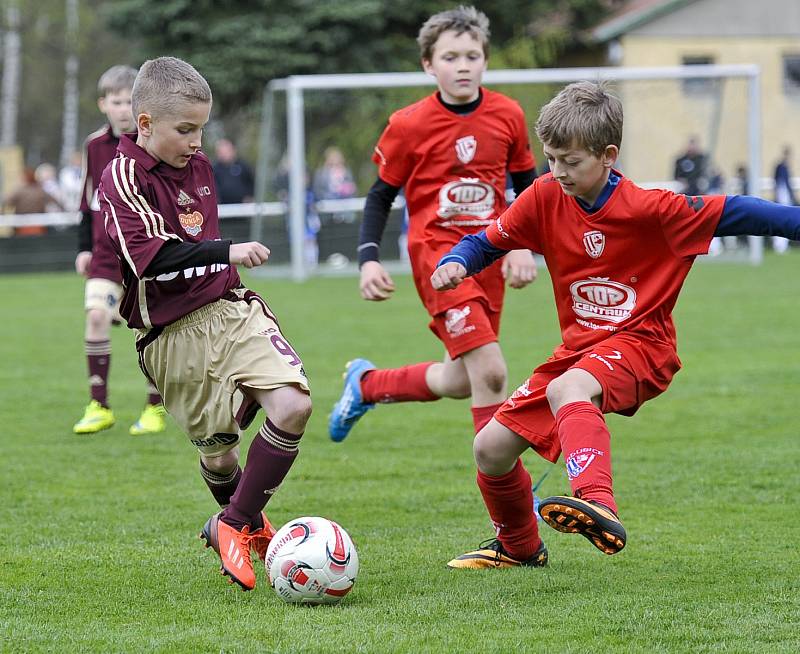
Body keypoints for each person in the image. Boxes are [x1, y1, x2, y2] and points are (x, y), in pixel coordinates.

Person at [431, 80, 800, 568]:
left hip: (643, 345)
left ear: (608, 155)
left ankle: (597, 502)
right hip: (579, 353)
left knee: (568, 391)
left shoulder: (653, 209)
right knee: (490, 449)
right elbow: (487, 241)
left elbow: (744, 212)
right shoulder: (543, 196)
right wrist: (458, 260)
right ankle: (519, 549)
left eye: (571, 161)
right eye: (551, 159)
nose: (557, 171)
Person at [99, 57, 311, 591]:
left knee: (293, 405)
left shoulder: (199, 166)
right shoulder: (121, 175)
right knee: (219, 456)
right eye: (185, 130)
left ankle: (233, 524)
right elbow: (150, 256)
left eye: (202, 129)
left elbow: (201, 248)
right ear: (144, 124)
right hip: (169, 337)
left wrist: (224, 263)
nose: (197, 142)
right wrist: (227, 249)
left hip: (229, 309)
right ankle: (248, 524)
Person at [328, 6, 538, 445]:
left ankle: (367, 385)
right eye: (450, 57)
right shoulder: (408, 125)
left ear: (485, 59)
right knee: (492, 372)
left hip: (490, 254)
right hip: (437, 257)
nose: (463, 65)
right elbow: (380, 196)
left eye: (472, 55)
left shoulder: (508, 115)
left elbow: (528, 189)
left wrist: (522, 245)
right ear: (428, 64)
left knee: (462, 379)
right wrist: (368, 260)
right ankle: (506, 498)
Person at [72, 65, 168, 436]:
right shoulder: (94, 146)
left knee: (149, 328)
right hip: (104, 252)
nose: (124, 108)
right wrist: (83, 248)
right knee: (96, 317)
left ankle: (154, 408)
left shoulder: (150, 143)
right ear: (103, 104)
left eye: (130, 101)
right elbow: (88, 198)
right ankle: (99, 404)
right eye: (117, 101)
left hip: (144, 254)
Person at [4, 167, 63, 236]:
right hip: (40, 226)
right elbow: (56, 201)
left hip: (22, 226)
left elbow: (6, 202)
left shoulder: (19, 191)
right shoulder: (40, 190)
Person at [212, 138, 254, 204]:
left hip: (242, 207)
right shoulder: (213, 169)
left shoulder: (243, 166)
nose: (223, 154)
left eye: (226, 151)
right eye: (220, 152)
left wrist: (249, 197)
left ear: (233, 150)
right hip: (222, 207)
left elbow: (251, 183)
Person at [772, 146, 796, 254]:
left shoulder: (783, 166)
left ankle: (782, 245)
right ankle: (779, 245)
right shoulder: (781, 167)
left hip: (784, 195)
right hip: (783, 195)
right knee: (783, 219)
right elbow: (781, 183)